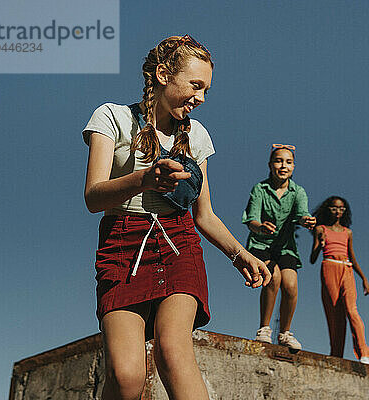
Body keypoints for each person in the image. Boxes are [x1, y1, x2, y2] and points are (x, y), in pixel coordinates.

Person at [82, 34, 270, 400]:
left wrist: (240, 254)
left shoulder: (196, 135)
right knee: (126, 376)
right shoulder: (111, 117)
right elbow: (93, 196)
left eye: (207, 90)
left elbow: (205, 214)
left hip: (178, 242)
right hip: (122, 242)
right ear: (165, 75)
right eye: (196, 85)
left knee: (172, 350)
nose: (201, 98)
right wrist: (144, 179)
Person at [242, 144, 316, 350]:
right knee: (273, 277)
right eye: (279, 161)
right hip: (261, 243)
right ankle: (264, 329)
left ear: (293, 166)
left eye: (288, 162)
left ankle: (285, 332)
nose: (283, 166)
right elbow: (251, 220)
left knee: (291, 284)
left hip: (285, 247)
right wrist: (261, 227)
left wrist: (306, 221)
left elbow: (302, 214)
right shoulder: (260, 189)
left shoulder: (297, 191)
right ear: (270, 164)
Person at [310, 196, 369, 364]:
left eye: (341, 208)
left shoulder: (348, 232)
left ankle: (364, 353)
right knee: (335, 314)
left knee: (351, 309)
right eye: (334, 208)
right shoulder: (321, 229)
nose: (337, 211)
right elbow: (312, 258)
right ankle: (336, 355)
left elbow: (353, 258)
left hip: (346, 269)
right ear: (328, 209)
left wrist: (363, 278)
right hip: (329, 267)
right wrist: (321, 244)